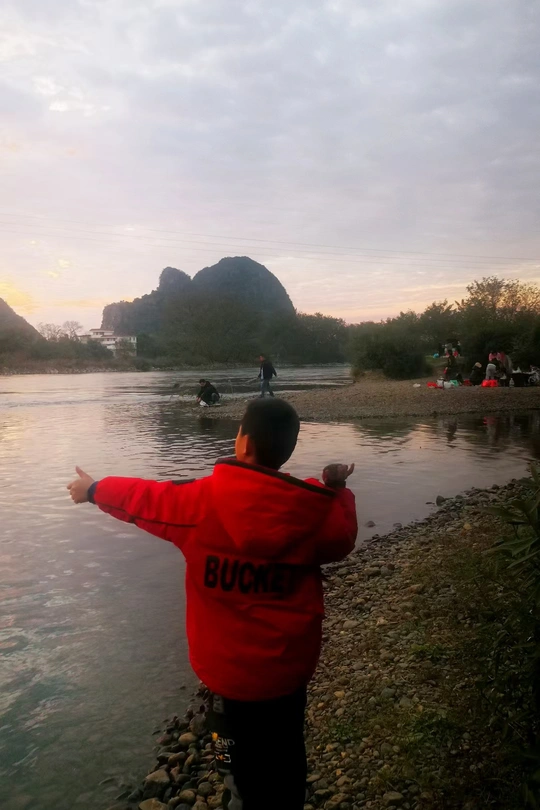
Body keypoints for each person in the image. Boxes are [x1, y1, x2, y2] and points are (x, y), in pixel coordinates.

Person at [66, 399, 357, 810]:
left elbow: (144, 499)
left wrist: (94, 490)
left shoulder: (200, 503)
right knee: (286, 752)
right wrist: (336, 488)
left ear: (243, 444)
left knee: (237, 769)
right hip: (288, 671)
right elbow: (342, 535)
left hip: (230, 677)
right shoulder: (311, 510)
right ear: (288, 449)